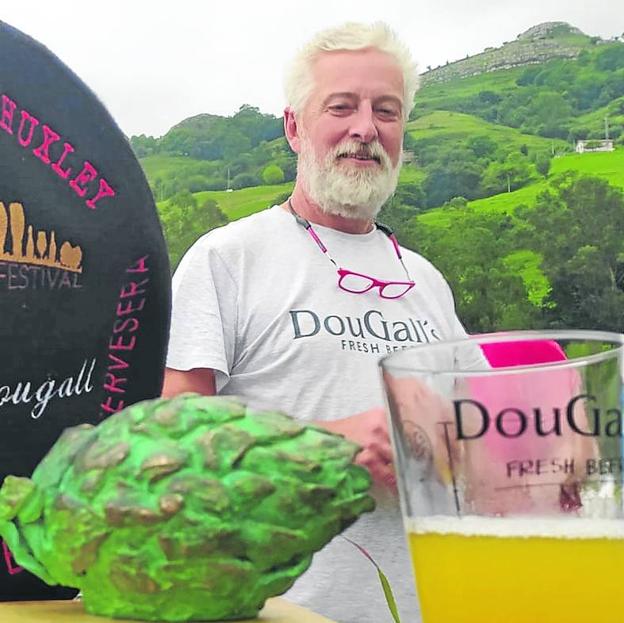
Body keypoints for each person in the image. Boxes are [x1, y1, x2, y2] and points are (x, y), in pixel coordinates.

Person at [163, 21, 476, 623]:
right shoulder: (228, 258)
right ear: (294, 127)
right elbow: (170, 444)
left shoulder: (428, 282)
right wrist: (320, 445)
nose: (366, 129)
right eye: (342, 107)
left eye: (387, 110)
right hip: (275, 611)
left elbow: (481, 444)